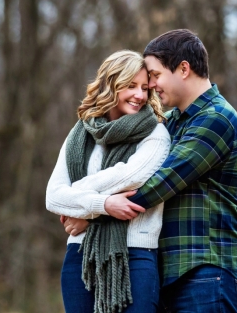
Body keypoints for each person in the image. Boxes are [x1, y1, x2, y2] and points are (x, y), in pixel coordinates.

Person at [72, 30, 237, 312]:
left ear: (184, 69)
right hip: (167, 273)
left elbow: (159, 184)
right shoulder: (172, 122)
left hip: (206, 272)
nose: (150, 85)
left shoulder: (216, 118)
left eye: (154, 75)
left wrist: (92, 213)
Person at [45, 50, 171, 313]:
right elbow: (52, 197)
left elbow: (131, 175)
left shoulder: (156, 134)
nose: (140, 95)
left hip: (136, 256)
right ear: (110, 85)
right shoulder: (80, 134)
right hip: (80, 255)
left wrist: (78, 201)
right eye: (130, 86)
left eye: (145, 88)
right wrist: (103, 203)